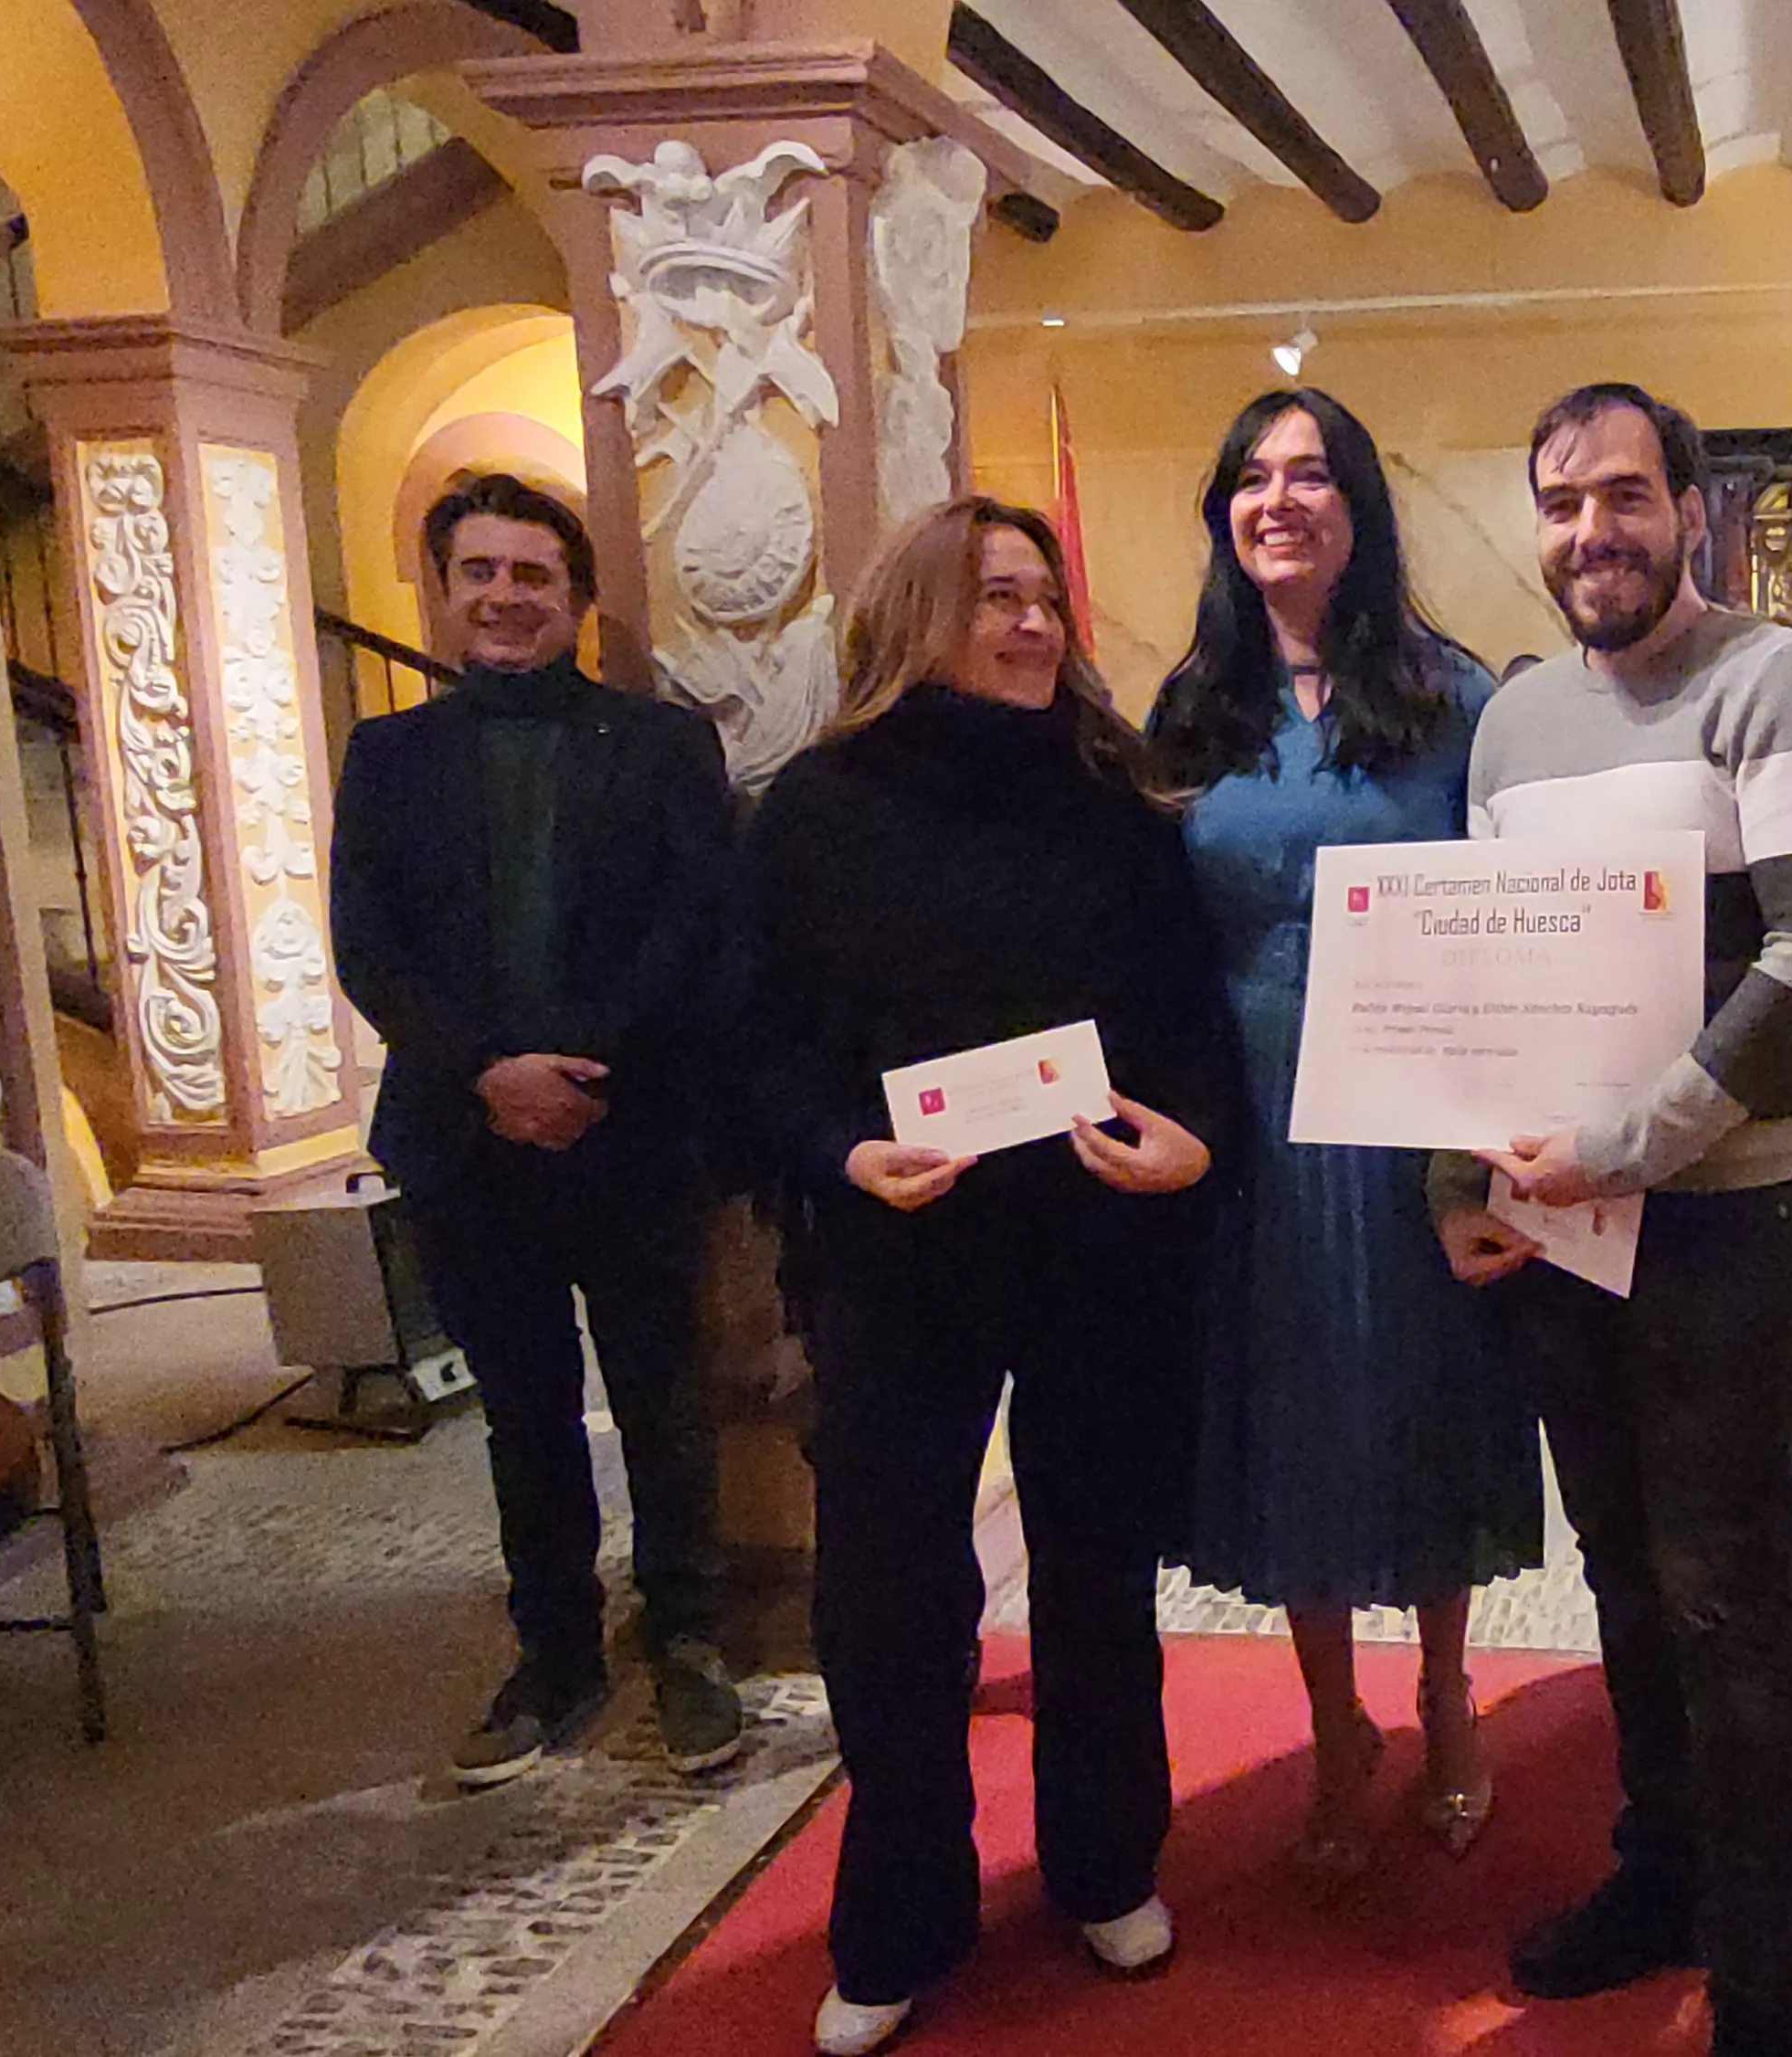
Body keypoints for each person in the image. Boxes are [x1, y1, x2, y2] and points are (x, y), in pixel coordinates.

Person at [736, 498, 1239, 2057]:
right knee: (893, 1597)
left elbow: (1184, 1024)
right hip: (903, 1253)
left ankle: (1101, 1862)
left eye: (1044, 598)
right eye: (993, 598)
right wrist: (838, 1155)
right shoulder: (813, 812)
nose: (1030, 626)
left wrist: (1195, 1140)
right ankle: (901, 1915)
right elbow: (757, 1042)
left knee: (1098, 1576)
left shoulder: (1115, 798)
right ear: (915, 618)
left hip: (1096, 1253)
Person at [1449, 383, 1792, 2057]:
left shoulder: (1777, 678)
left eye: (1625, 497)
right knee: (1627, 1576)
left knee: (1733, 1593)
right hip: (1569, 1231)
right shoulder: (1513, 722)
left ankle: (1772, 1966)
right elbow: (1489, 971)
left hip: (1724, 1229)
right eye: (1560, 502)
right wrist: (1461, 1176)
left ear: (1691, 509)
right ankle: (1663, 1875)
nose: (1590, 533)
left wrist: (1636, 1142)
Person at [1150, 388, 1537, 1886]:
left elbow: (1522, 914)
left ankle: (1444, 1693)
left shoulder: (1456, 701)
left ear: (1362, 507)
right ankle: (1335, 1723)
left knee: (1424, 1397)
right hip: (1247, 1124)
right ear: (1225, 514)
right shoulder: (1189, 709)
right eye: (1252, 475)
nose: (1280, 498)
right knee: (1291, 1418)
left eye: (1312, 474)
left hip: (1413, 1127)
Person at [328, 472, 746, 1788]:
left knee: (663, 1400)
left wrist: (583, 1070)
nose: (505, 596)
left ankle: (687, 1639)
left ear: (577, 600)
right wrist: (488, 1074)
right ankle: (554, 1651)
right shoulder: (386, 759)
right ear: (443, 594)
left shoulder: (666, 745)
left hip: (633, 1133)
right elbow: (369, 948)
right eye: (480, 573)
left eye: (533, 575)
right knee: (523, 1413)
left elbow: (701, 929)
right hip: (466, 1138)